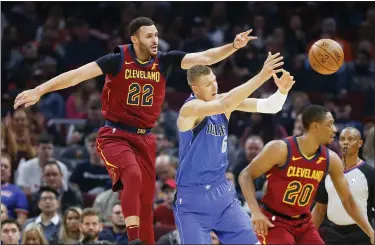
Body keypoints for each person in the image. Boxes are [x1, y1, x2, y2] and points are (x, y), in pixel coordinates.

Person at [13, 16, 256, 245]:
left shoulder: (164, 60)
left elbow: (205, 57)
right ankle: (132, 239)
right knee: (133, 176)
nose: (155, 41)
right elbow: (76, 76)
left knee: (146, 200)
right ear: (135, 39)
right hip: (115, 135)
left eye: (157, 35)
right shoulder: (116, 59)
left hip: (145, 137)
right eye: (149, 36)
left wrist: (233, 46)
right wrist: (39, 90)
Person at [174, 51, 291, 244]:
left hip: (222, 195)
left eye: (214, 81)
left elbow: (271, 106)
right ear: (195, 88)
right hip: (192, 201)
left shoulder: (223, 102)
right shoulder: (190, 109)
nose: (214, 86)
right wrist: (262, 75)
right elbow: (226, 102)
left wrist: (283, 91)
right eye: (207, 84)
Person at [239, 105, 374, 245]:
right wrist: (255, 212)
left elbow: (348, 201)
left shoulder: (331, 159)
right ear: (315, 126)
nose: (335, 129)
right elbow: (245, 175)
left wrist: (370, 232)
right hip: (275, 221)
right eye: (330, 124)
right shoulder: (280, 149)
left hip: (304, 223)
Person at [312, 127, 374, 245]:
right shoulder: (327, 172)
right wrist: (305, 235)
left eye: (350, 139)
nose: (345, 142)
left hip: (362, 235)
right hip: (333, 234)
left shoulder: (369, 173)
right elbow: (319, 209)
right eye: (342, 139)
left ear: (360, 143)